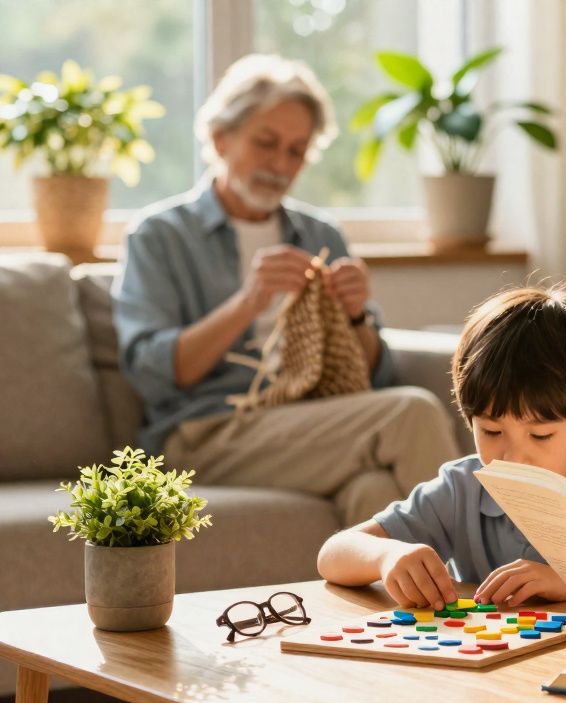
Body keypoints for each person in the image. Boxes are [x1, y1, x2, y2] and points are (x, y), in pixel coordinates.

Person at [112, 54, 460, 525]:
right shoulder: (159, 235)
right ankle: (482, 581)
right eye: (266, 143)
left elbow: (375, 380)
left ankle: (395, 598)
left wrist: (357, 316)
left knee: (373, 491)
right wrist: (248, 303)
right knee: (410, 413)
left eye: (296, 151)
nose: (280, 164)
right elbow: (153, 376)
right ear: (220, 139)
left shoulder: (321, 234)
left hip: (313, 421)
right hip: (205, 432)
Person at [317, 286, 566, 609]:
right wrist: (386, 556)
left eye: (540, 435)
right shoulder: (463, 489)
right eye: (490, 430)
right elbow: (333, 554)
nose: (512, 457)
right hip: (497, 657)